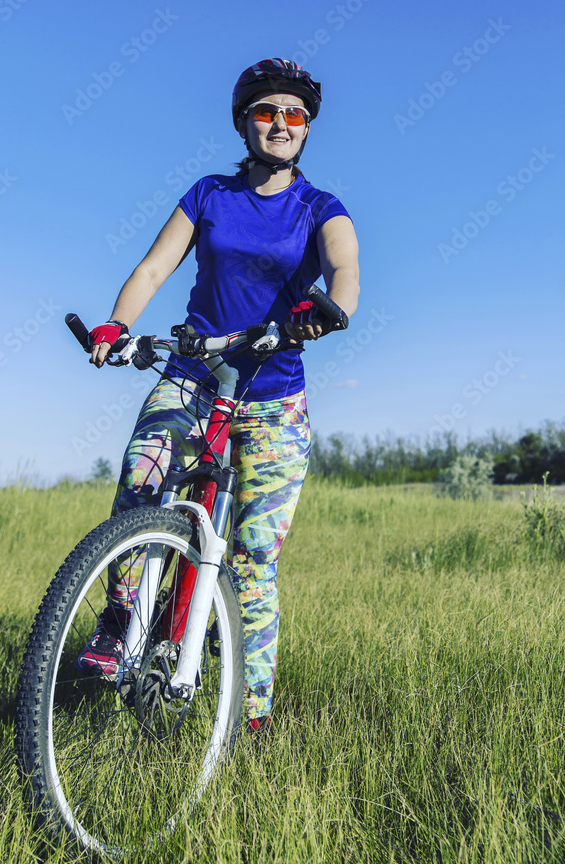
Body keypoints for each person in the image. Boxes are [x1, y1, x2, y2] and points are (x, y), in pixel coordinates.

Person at [75, 58, 360, 732]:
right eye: (268, 112)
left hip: (273, 396)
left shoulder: (321, 207)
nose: (281, 124)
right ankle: (119, 621)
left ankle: (251, 715)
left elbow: (345, 268)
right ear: (244, 122)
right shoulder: (208, 194)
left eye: (295, 114)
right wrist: (119, 325)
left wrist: (329, 310)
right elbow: (152, 267)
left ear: (308, 129)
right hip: (194, 375)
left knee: (255, 557)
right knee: (141, 477)